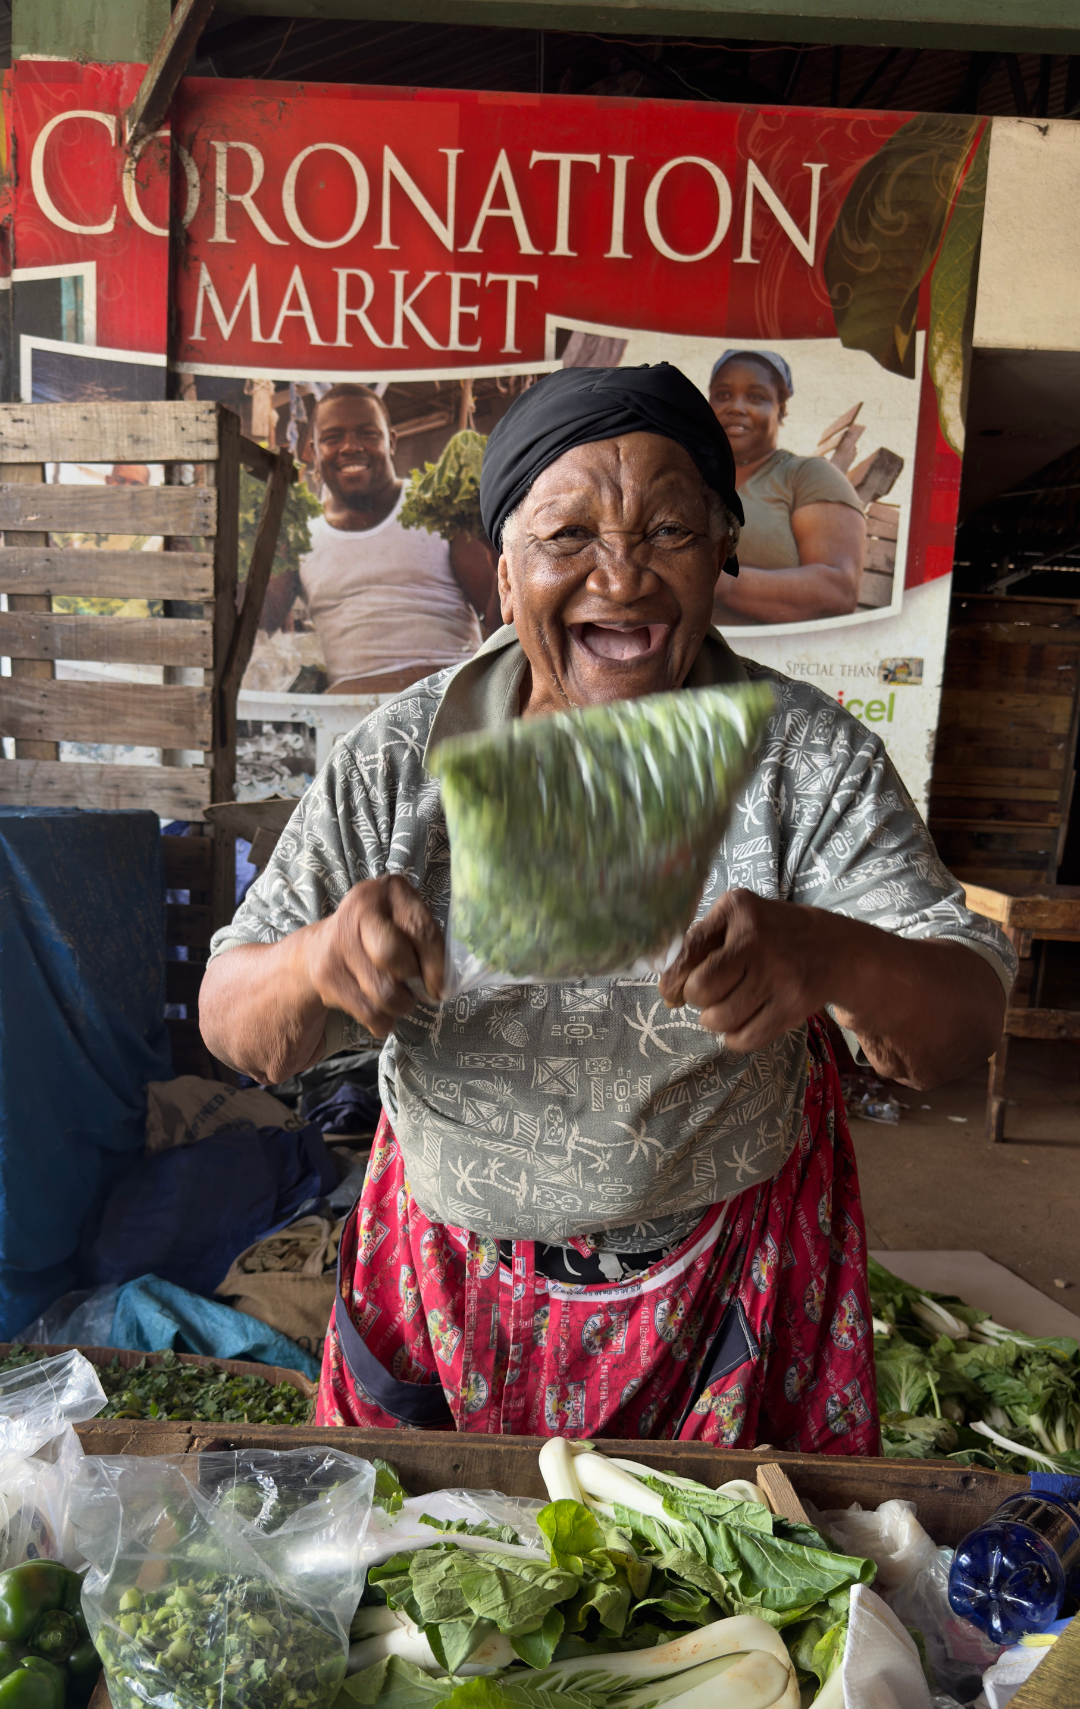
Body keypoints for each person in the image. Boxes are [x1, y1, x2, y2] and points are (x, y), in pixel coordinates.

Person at [200, 362, 1013, 1455]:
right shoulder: (398, 760)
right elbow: (232, 1019)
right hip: (443, 1276)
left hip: (727, 1280)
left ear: (725, 548)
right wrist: (313, 961)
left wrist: (834, 959)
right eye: (568, 537)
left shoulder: (802, 761)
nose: (622, 580)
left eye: (668, 532)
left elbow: (964, 1019)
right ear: (502, 572)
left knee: (714, 1604)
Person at [264, 385, 493, 693]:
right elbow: (259, 621)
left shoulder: (438, 508)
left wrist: (493, 545)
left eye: (368, 433)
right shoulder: (298, 535)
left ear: (391, 441)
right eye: (332, 438)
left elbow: (500, 616)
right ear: (314, 452)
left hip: (449, 702)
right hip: (350, 722)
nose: (350, 447)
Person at [707, 350, 866, 626]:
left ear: (780, 408)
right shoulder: (685, 477)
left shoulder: (807, 475)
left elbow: (838, 590)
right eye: (723, 395)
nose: (735, 407)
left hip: (769, 663)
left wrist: (717, 582)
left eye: (755, 397)